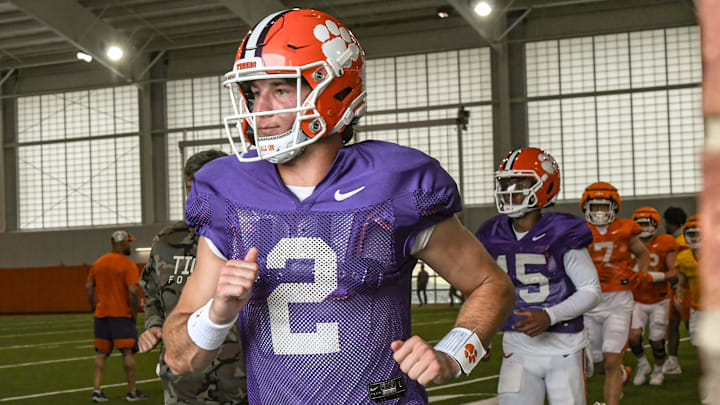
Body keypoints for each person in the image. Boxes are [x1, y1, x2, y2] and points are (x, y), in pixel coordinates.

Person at [162, 8, 516, 405]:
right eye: (252, 91)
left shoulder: (393, 185)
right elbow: (179, 358)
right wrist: (218, 312)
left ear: (334, 89)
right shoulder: (229, 195)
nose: (260, 110)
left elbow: (492, 285)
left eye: (280, 88)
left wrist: (452, 355)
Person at [475, 147, 601, 405]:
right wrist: (482, 332)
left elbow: (590, 289)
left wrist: (549, 315)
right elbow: (486, 289)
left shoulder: (562, 230)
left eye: (520, 182)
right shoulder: (491, 232)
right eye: (506, 183)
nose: (511, 190)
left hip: (564, 346)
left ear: (545, 185)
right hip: (516, 345)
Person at [138, 150, 247, 405]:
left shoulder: (251, 235)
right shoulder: (167, 240)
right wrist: (153, 324)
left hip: (243, 380)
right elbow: (152, 291)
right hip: (185, 383)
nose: (198, 197)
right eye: (192, 189)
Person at [580, 182, 651, 405]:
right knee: (598, 364)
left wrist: (640, 274)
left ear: (614, 206)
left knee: (612, 359)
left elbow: (643, 253)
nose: (600, 212)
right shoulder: (579, 231)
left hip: (618, 300)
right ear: (586, 207)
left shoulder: (625, 229)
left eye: (604, 207)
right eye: (596, 207)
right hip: (589, 301)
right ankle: (623, 374)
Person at [85, 230, 149, 402]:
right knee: (127, 353)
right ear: (119, 243)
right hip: (121, 314)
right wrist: (134, 312)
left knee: (100, 354)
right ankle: (132, 391)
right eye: (128, 242)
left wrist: (93, 307)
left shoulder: (98, 263)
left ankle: (96, 391)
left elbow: (89, 287)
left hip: (101, 314)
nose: (130, 245)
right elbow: (133, 291)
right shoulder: (128, 265)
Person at [628, 207, 678, 386]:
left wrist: (655, 276)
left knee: (657, 341)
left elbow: (675, 272)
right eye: (639, 224)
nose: (642, 227)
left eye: (645, 223)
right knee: (633, 337)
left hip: (660, 299)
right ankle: (643, 365)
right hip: (637, 298)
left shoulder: (666, 242)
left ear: (655, 223)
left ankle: (658, 369)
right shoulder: (629, 243)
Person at [662, 206, 690, 375]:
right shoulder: (683, 238)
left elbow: (684, 269)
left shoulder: (680, 242)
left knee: (690, 326)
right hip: (679, 289)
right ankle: (672, 361)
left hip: (682, 290)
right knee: (673, 325)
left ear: (670, 223)